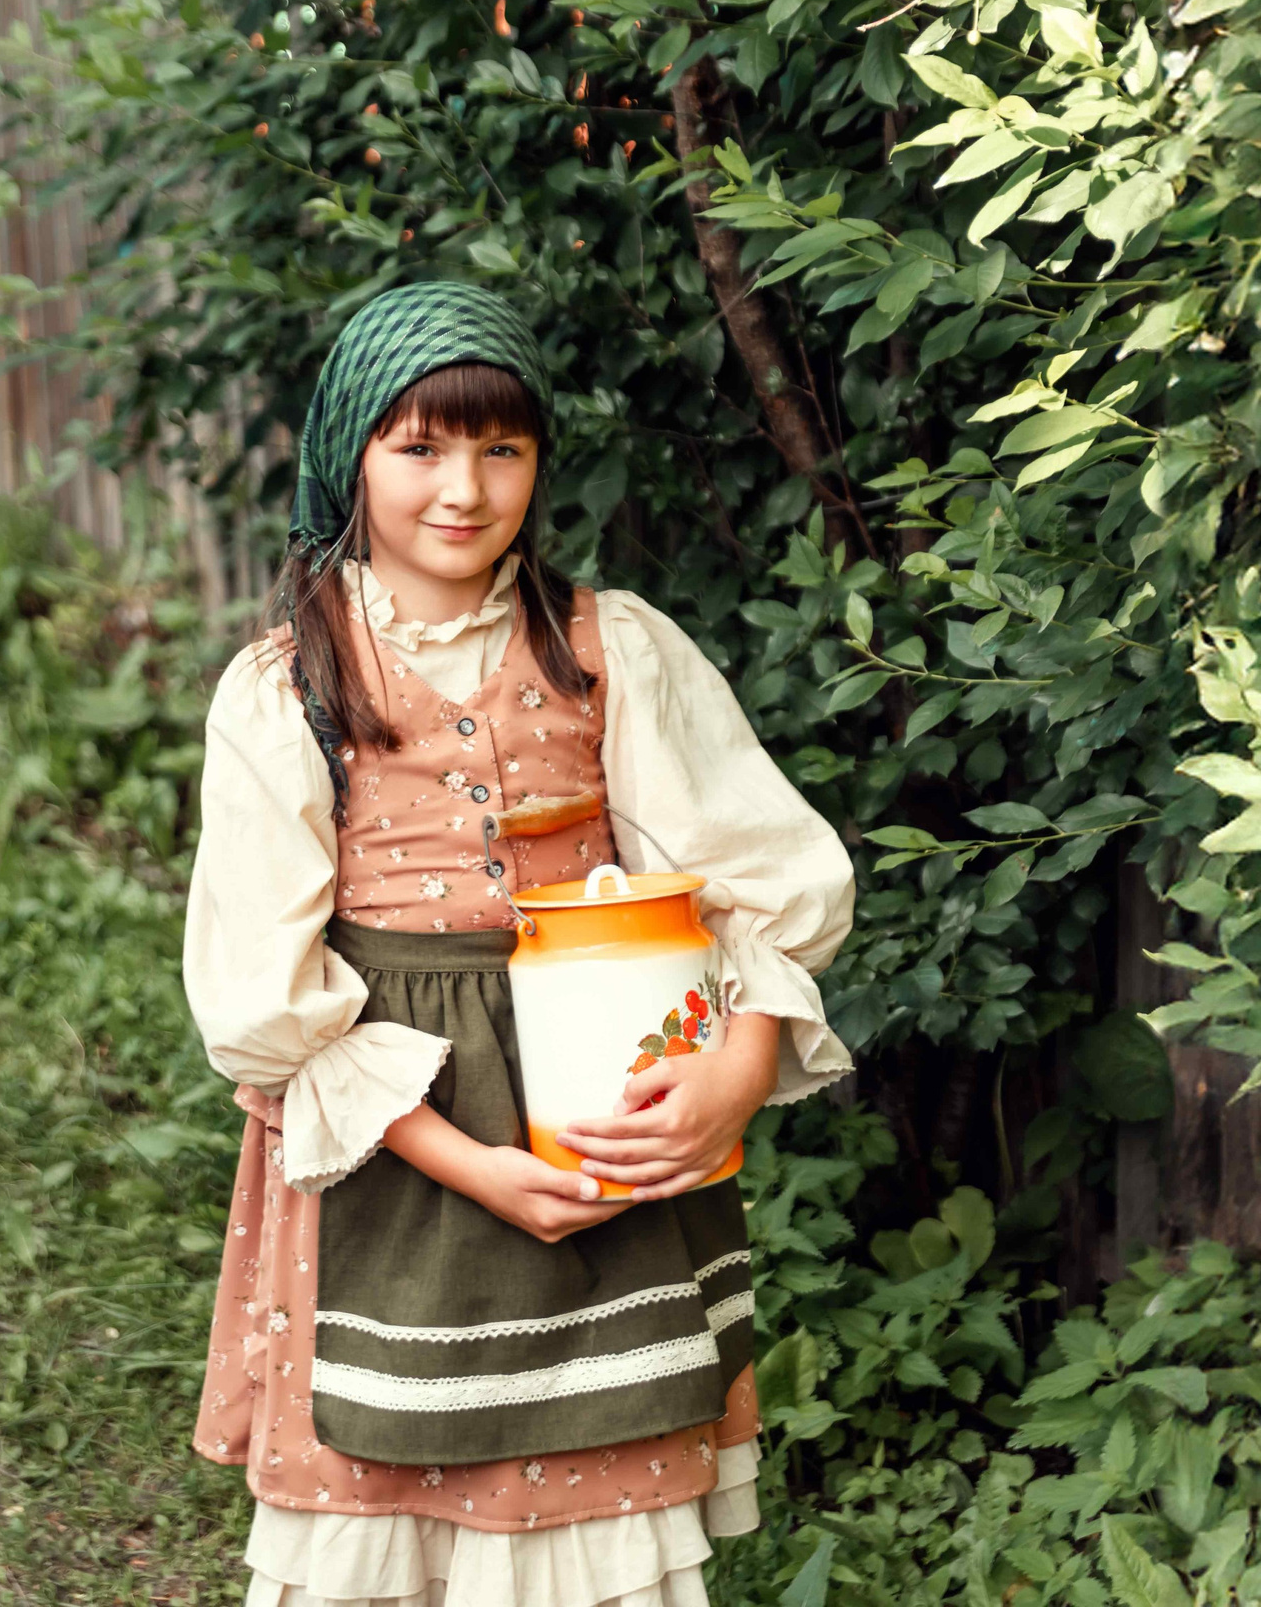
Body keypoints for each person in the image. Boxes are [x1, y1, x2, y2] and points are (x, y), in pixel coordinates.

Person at [185, 282, 856, 1607]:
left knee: (597, 1477)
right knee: (388, 1465)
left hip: (603, 1128)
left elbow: (760, 875)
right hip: (399, 1143)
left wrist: (733, 1073)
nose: (465, 489)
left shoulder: (614, 650)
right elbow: (264, 999)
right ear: (350, 455)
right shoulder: (289, 689)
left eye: (503, 448)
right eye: (418, 447)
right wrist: (469, 1166)